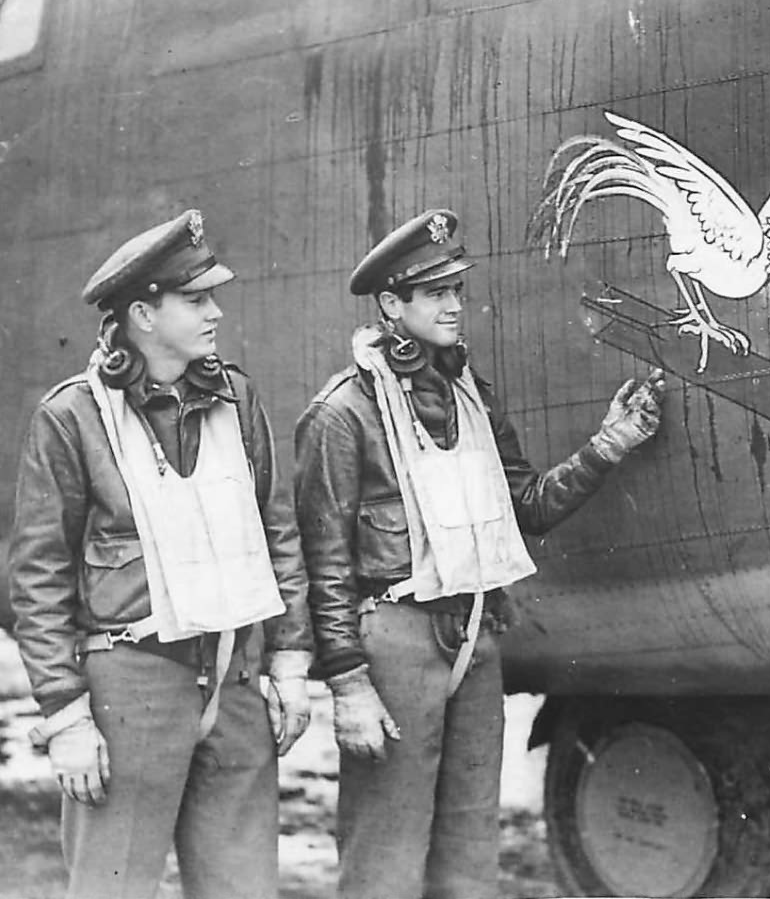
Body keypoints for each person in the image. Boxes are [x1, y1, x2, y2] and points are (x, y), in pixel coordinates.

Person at [295, 207, 665, 899]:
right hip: (397, 643)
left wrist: (610, 443)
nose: (454, 305)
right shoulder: (343, 414)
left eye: (457, 290)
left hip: (475, 636)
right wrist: (347, 683)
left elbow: (527, 507)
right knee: (386, 855)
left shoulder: (472, 397)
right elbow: (324, 567)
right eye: (435, 293)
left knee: (469, 851)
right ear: (390, 304)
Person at [9, 209, 313, 899]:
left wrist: (291, 664)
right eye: (197, 299)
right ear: (143, 313)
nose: (215, 313)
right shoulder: (72, 418)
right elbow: (38, 579)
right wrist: (65, 716)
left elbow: (277, 535)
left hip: (235, 680)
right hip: (131, 688)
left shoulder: (236, 398)